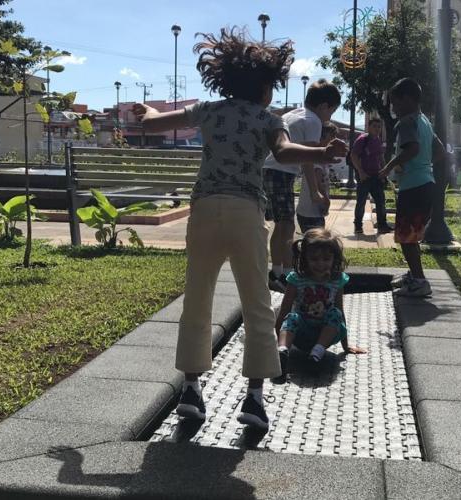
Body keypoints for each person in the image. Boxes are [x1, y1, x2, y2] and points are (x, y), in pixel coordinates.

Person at [133, 28, 347, 430]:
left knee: (197, 299)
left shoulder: (208, 110)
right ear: (266, 86)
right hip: (246, 212)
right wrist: (323, 153)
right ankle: (253, 398)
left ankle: (192, 390)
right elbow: (284, 152)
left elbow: (157, 124)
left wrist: (145, 114)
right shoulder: (268, 118)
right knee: (256, 305)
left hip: (205, 211)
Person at [264, 79, 341, 292]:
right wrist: (315, 192)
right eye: (332, 112)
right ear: (324, 106)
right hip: (281, 171)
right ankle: (288, 276)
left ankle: (276, 273)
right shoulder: (313, 121)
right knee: (287, 225)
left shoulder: (294, 114)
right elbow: (308, 159)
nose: (329, 118)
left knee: (280, 225)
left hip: (270, 169)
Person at [379, 78, 447, 298]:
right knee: (412, 236)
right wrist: (423, 167)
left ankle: (419, 281)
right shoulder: (424, 121)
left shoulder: (407, 122)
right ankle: (414, 275)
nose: (393, 109)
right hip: (426, 184)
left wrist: (389, 167)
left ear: (407, 100)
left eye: (395, 103)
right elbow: (440, 151)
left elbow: (413, 149)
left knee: (406, 237)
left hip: (414, 186)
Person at [273, 228, 366, 383]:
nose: (320, 264)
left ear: (334, 259)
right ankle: (282, 352)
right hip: (300, 334)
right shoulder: (296, 279)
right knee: (292, 317)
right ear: (305, 259)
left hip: (325, 334)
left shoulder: (337, 280)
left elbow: (340, 312)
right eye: (314, 259)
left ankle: (316, 355)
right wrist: (276, 341)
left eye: (326, 259)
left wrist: (346, 346)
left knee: (334, 314)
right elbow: (284, 310)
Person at [351, 118, 392, 234]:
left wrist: (385, 170)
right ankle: (358, 225)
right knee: (361, 202)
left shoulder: (378, 140)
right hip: (364, 176)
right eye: (374, 126)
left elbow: (381, 157)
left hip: (376, 176)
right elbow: (353, 155)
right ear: (369, 127)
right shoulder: (362, 139)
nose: (377, 129)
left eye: (379, 127)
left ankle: (382, 225)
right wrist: (360, 172)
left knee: (380, 201)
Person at [296, 122, 337, 233]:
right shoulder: (317, 159)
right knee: (316, 246)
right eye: (332, 137)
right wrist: (327, 201)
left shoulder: (319, 157)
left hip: (311, 211)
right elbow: (318, 183)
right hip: (311, 213)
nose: (334, 140)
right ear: (321, 137)